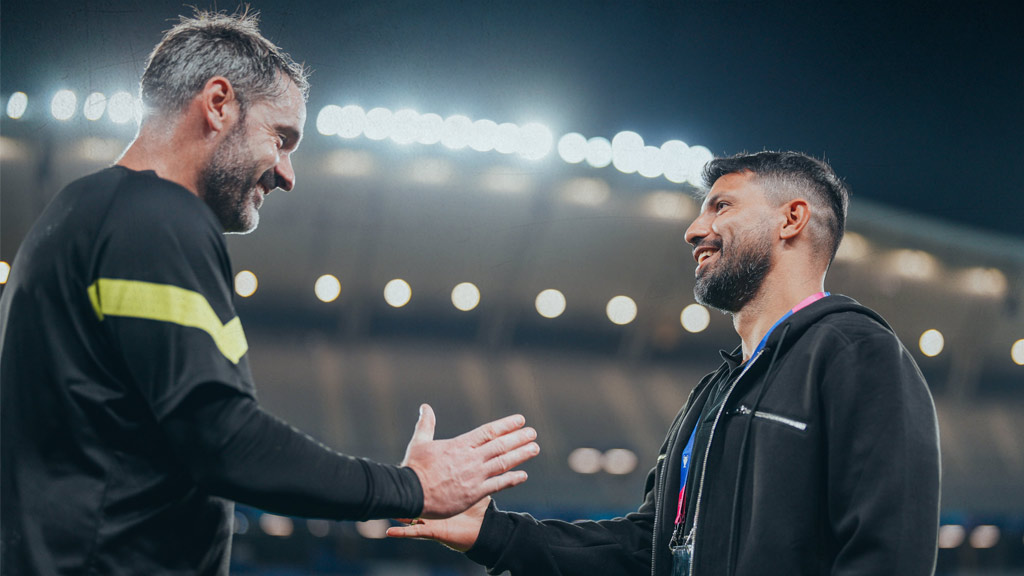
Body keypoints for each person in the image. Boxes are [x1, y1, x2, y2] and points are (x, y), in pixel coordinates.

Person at [0, 10, 539, 575]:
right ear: (218, 104)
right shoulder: (155, 219)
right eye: (281, 139)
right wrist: (411, 486)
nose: (288, 173)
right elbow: (226, 441)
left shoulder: (78, 214)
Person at [388, 151, 942, 576]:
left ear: (792, 219)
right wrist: (494, 533)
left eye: (721, 206)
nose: (694, 229)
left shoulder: (857, 352)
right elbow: (646, 548)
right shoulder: (714, 394)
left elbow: (888, 554)